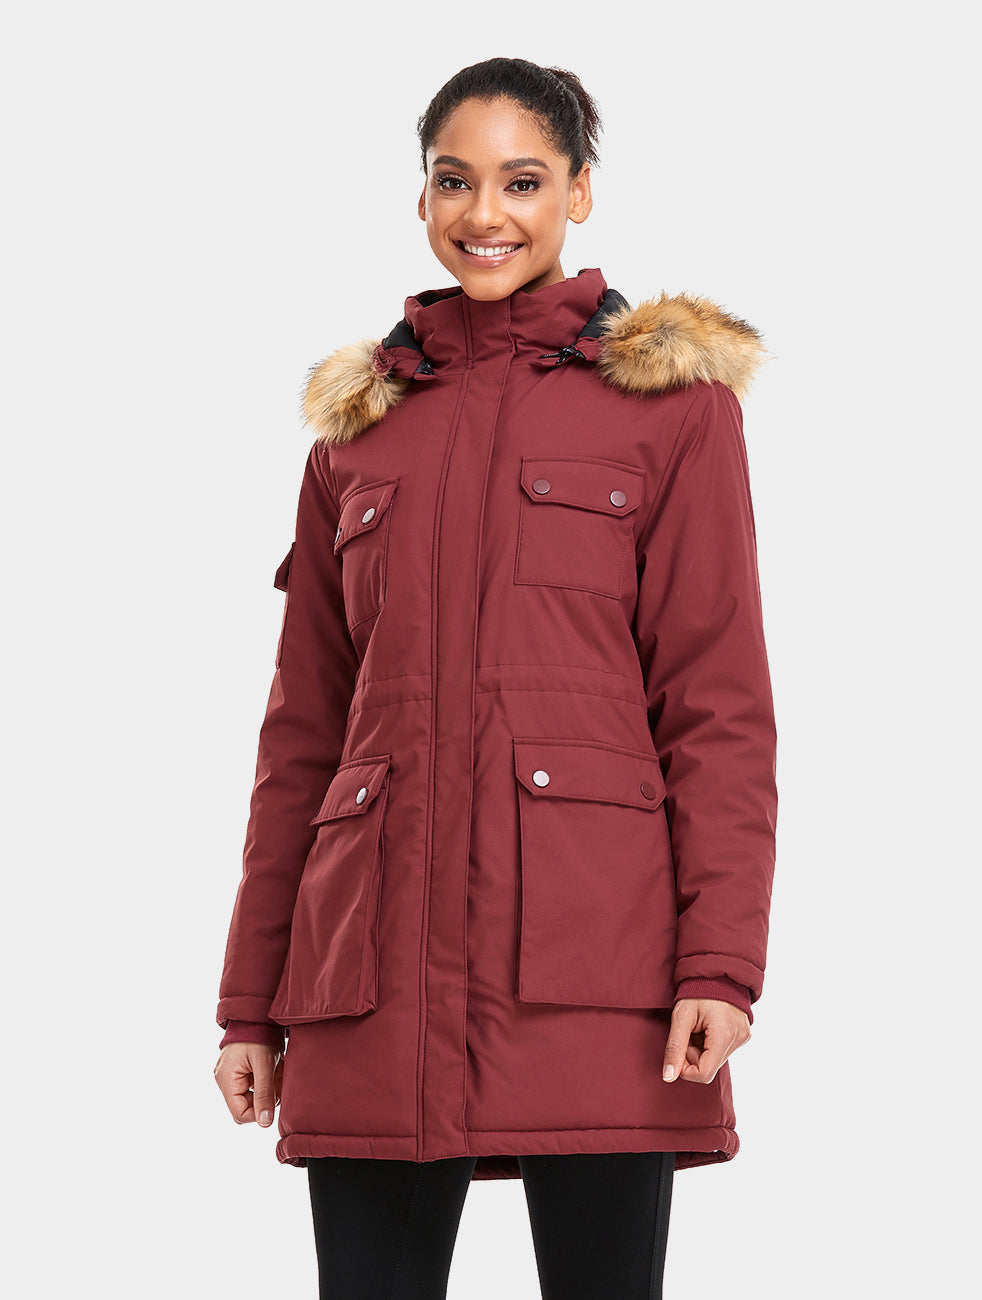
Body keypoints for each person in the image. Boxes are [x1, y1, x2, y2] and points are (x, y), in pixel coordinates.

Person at [213, 56, 777, 1300]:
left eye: (523, 181)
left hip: (595, 969)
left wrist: (719, 965)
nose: (485, 213)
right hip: (369, 978)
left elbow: (718, 707)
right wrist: (250, 1000)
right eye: (453, 180)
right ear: (420, 197)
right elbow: (301, 734)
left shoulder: (671, 410)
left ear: (579, 191)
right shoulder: (359, 431)